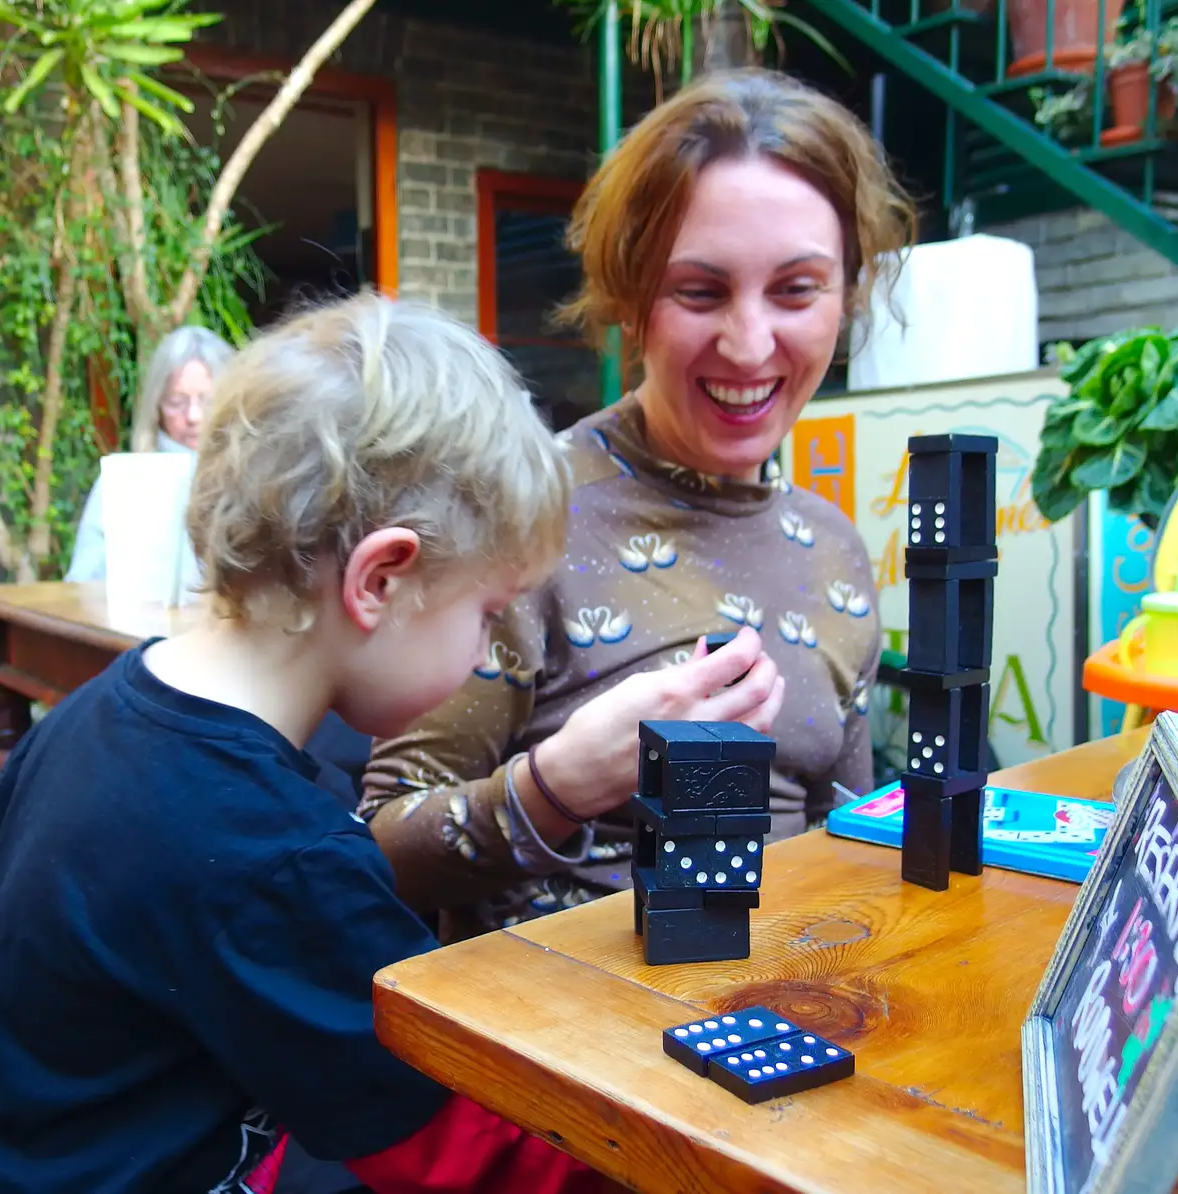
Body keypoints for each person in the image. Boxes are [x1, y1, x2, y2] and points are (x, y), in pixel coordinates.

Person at [0, 292, 620, 1194]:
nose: (487, 648)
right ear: (382, 580)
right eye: (488, 612)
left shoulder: (91, 713)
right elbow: (449, 1149)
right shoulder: (286, 859)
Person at [362, 68, 919, 943]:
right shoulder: (517, 515)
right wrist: (556, 786)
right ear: (630, 295)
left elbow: (839, 843)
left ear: (847, 294)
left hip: (784, 1016)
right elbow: (372, 849)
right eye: (699, 291)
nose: (749, 342)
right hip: (555, 1053)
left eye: (797, 289)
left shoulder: (834, 548)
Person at [64, 324, 235, 582]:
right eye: (177, 402)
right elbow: (81, 582)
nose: (193, 416)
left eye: (207, 401)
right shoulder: (125, 481)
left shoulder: (251, 477)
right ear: (156, 406)